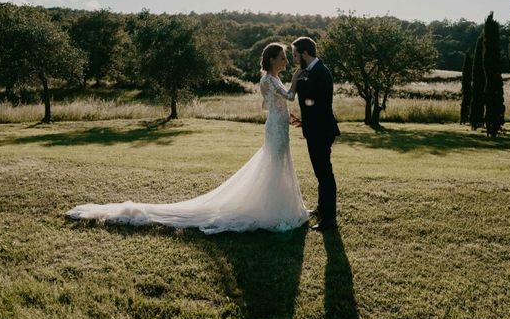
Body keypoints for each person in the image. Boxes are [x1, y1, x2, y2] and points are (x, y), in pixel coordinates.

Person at [67, 43, 309, 234]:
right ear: (271, 60)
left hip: (278, 127)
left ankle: (278, 209)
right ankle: (274, 212)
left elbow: (273, 106)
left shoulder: (273, 79)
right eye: (283, 57)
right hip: (275, 130)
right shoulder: (268, 79)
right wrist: (298, 77)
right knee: (274, 165)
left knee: (278, 165)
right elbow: (288, 97)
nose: (286, 61)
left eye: (287, 58)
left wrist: (287, 117)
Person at [291, 37, 340, 231]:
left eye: (295, 54)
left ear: (305, 53)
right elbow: (313, 104)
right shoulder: (311, 71)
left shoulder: (320, 71)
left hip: (322, 130)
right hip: (315, 128)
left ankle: (329, 219)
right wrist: (304, 121)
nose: (294, 59)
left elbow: (314, 100)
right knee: (321, 173)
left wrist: (297, 80)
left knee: (325, 174)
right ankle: (322, 209)